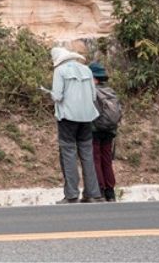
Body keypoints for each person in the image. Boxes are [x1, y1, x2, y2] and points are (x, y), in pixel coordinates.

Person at [48, 46, 103, 204]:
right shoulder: (86, 70)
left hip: (68, 118)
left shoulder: (60, 71)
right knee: (87, 154)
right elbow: (93, 95)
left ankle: (72, 194)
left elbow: (57, 96)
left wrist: (51, 94)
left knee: (68, 154)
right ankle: (92, 193)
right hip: (87, 117)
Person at [89, 62, 122, 202]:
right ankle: (110, 192)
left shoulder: (93, 92)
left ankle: (100, 190)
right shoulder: (111, 91)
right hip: (110, 130)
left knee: (96, 159)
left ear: (94, 78)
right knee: (107, 161)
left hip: (96, 129)